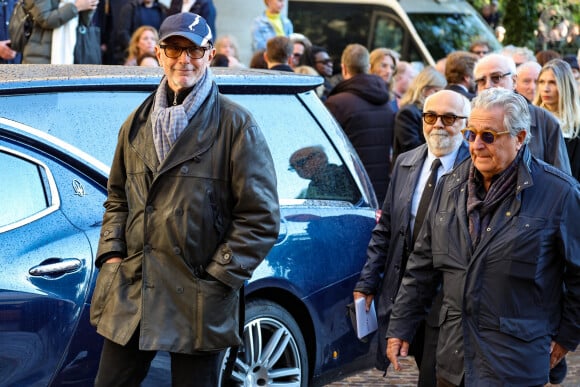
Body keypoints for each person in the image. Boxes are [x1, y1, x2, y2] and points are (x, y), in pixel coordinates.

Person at [89, 12, 280, 386]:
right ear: (160, 54)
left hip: (197, 294)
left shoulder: (236, 124)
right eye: (175, 48)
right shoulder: (136, 122)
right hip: (134, 287)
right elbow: (117, 197)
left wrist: (218, 275)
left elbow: (261, 217)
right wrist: (112, 256)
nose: (184, 59)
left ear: (210, 56)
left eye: (194, 50)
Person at [386, 87, 580, 386]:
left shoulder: (559, 193)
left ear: (519, 137)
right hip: (453, 357)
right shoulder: (451, 186)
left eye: (488, 136)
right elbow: (421, 265)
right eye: (470, 134)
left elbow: (577, 275)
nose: (476, 145)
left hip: (514, 362)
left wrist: (566, 337)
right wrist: (401, 325)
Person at [354, 89, 470, 385]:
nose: (438, 125)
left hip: (447, 296)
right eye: (430, 116)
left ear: (466, 124)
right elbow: (386, 227)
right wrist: (368, 281)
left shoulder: (474, 169)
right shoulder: (407, 162)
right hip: (405, 288)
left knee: (435, 374)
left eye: (449, 118)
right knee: (417, 358)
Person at [474, 53, 571, 174]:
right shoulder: (465, 120)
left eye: (496, 77)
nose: (488, 85)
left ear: (514, 81)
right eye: (481, 80)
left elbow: (562, 180)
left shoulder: (543, 120)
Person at [324, 43, 395, 203]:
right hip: (382, 185)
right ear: (368, 67)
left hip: (351, 187)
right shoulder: (386, 103)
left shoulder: (337, 103)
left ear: (343, 68)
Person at [534, 59, 580, 181]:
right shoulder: (531, 119)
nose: (546, 88)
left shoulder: (576, 125)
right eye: (542, 82)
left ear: (564, 85)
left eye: (552, 82)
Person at [392, 66, 447, 163]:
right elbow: (411, 147)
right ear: (423, 89)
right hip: (410, 169)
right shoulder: (407, 113)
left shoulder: (431, 111)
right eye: (436, 91)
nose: (439, 96)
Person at [22, 0, 97, 64]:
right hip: (41, 56)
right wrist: (76, 7)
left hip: (73, 53)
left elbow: (85, 22)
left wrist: (90, 5)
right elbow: (46, 19)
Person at [289, 145, 357, 202]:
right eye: (293, 167)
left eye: (301, 162)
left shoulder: (349, 173)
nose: (297, 168)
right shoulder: (313, 186)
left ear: (321, 157)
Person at [113, 0, 167, 66]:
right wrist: (134, 48)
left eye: (152, 39)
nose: (149, 41)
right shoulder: (130, 7)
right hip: (133, 53)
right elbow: (123, 32)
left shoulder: (162, 9)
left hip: (155, 55)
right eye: (146, 39)